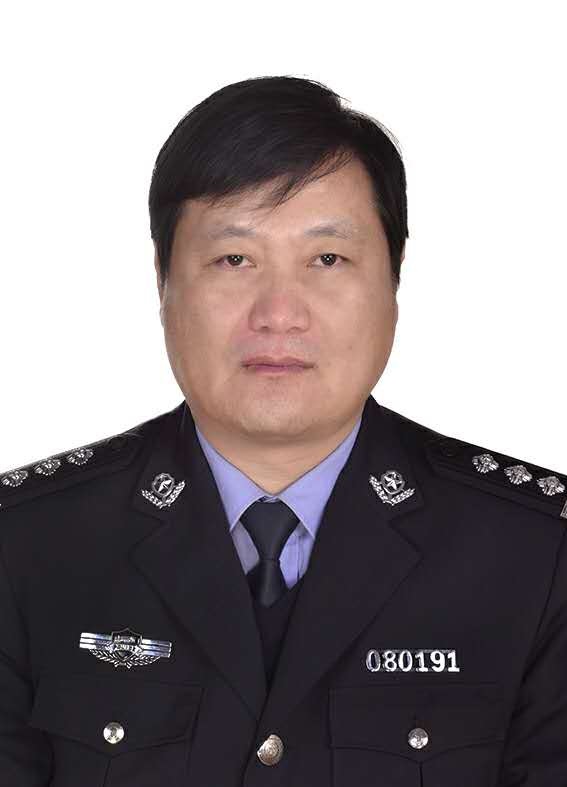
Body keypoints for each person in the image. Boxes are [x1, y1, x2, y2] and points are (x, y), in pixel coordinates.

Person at [1, 75, 566, 787]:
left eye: (327, 259)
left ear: (393, 279)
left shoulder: (537, 555)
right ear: (162, 279)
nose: (278, 313)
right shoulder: (25, 547)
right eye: (233, 259)